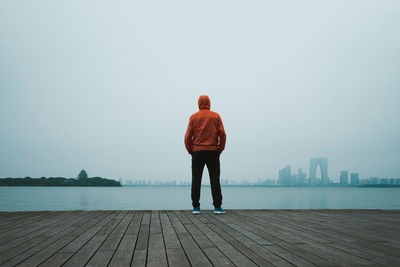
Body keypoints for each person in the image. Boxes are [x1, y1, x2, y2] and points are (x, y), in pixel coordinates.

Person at [184, 95, 226, 214]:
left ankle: (196, 207)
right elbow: (222, 134)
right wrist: (220, 149)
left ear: (199, 103)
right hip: (213, 151)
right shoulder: (216, 116)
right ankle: (217, 207)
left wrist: (190, 150)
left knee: (196, 179)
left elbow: (188, 136)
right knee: (215, 179)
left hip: (197, 152)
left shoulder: (193, 117)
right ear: (209, 103)